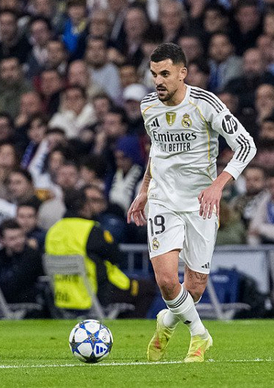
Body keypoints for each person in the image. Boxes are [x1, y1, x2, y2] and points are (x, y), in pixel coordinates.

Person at [127, 43, 256, 363]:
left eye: (165, 74)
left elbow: (246, 145)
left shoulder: (205, 104)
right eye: (154, 74)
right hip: (163, 200)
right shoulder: (148, 106)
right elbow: (157, 151)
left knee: (194, 288)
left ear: (182, 73)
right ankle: (200, 334)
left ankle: (167, 321)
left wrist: (217, 186)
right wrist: (144, 189)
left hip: (201, 203)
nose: (158, 81)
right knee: (167, 280)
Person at [46, 188, 154, 318]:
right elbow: (116, 256)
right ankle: (128, 325)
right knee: (148, 288)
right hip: (96, 291)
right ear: (85, 206)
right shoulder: (90, 230)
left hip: (64, 294)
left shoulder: (53, 230)